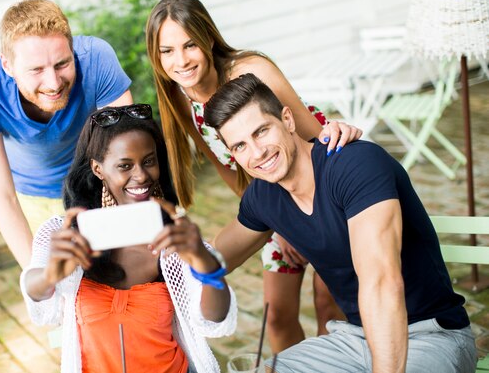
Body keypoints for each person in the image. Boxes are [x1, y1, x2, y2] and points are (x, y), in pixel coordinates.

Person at [203, 73, 476, 373]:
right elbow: (214, 258)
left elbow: (381, 283)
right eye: (240, 146)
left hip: (430, 334)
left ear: (288, 120)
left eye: (262, 132)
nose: (257, 153)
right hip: (353, 338)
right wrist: (178, 243)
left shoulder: (355, 165)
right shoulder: (263, 196)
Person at [145, 0, 360, 351]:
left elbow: (313, 139)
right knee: (277, 316)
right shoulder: (180, 97)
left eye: (190, 45)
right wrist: (280, 221)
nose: (180, 61)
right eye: (167, 51)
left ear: (208, 39)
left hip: (322, 189)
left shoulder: (251, 70)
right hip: (273, 196)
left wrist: (303, 219)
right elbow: (228, 169)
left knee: (330, 308)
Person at [21, 104, 237, 373]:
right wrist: (49, 276)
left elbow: (215, 319)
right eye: (125, 165)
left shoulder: (175, 239)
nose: (141, 175)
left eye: (149, 161)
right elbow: (35, 293)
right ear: (98, 169)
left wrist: (206, 264)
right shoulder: (64, 234)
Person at [0, 0, 132, 268]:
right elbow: (1, 194)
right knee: (62, 295)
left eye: (62, 64)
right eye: (36, 70)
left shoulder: (96, 57)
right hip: (32, 199)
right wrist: (35, 275)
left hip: (96, 186)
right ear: (8, 66)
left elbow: (129, 155)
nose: (53, 83)